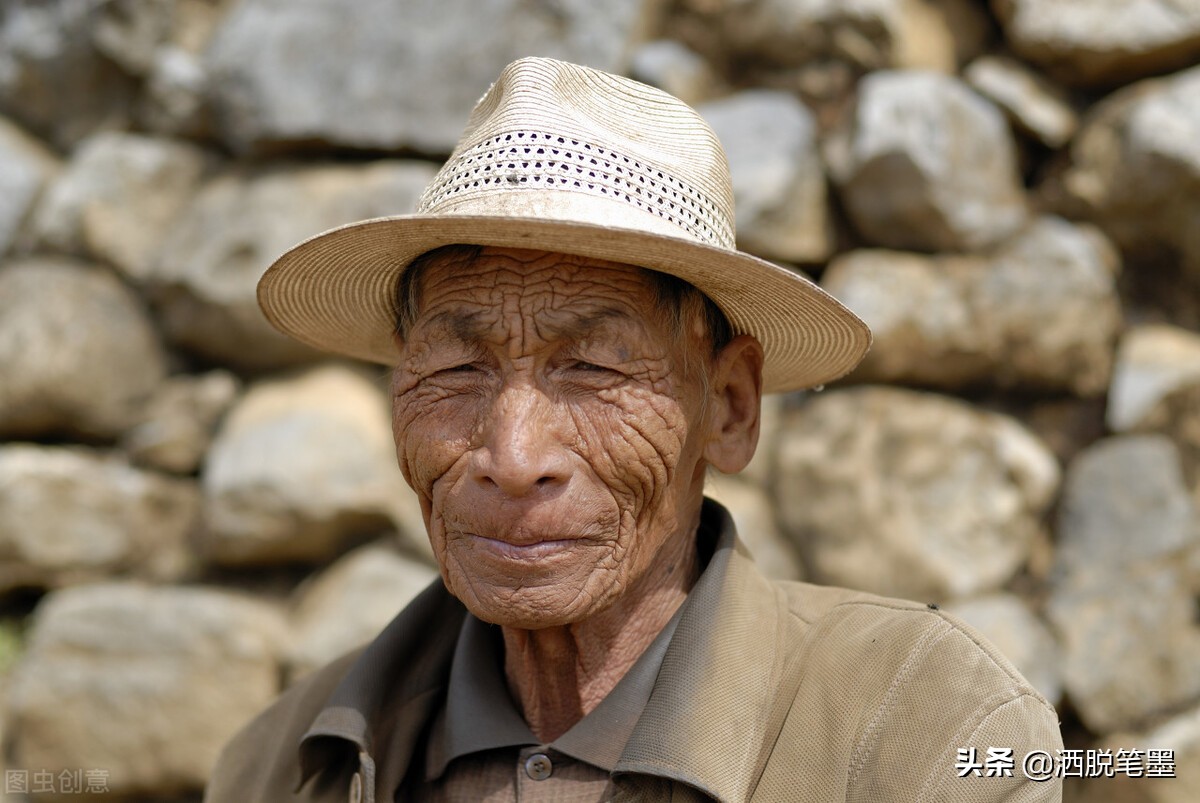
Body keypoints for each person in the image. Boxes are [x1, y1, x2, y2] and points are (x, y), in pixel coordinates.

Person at [205, 57, 1063, 802]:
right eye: (457, 369)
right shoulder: (275, 768)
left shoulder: (923, 729)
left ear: (727, 408)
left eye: (593, 368)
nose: (514, 456)